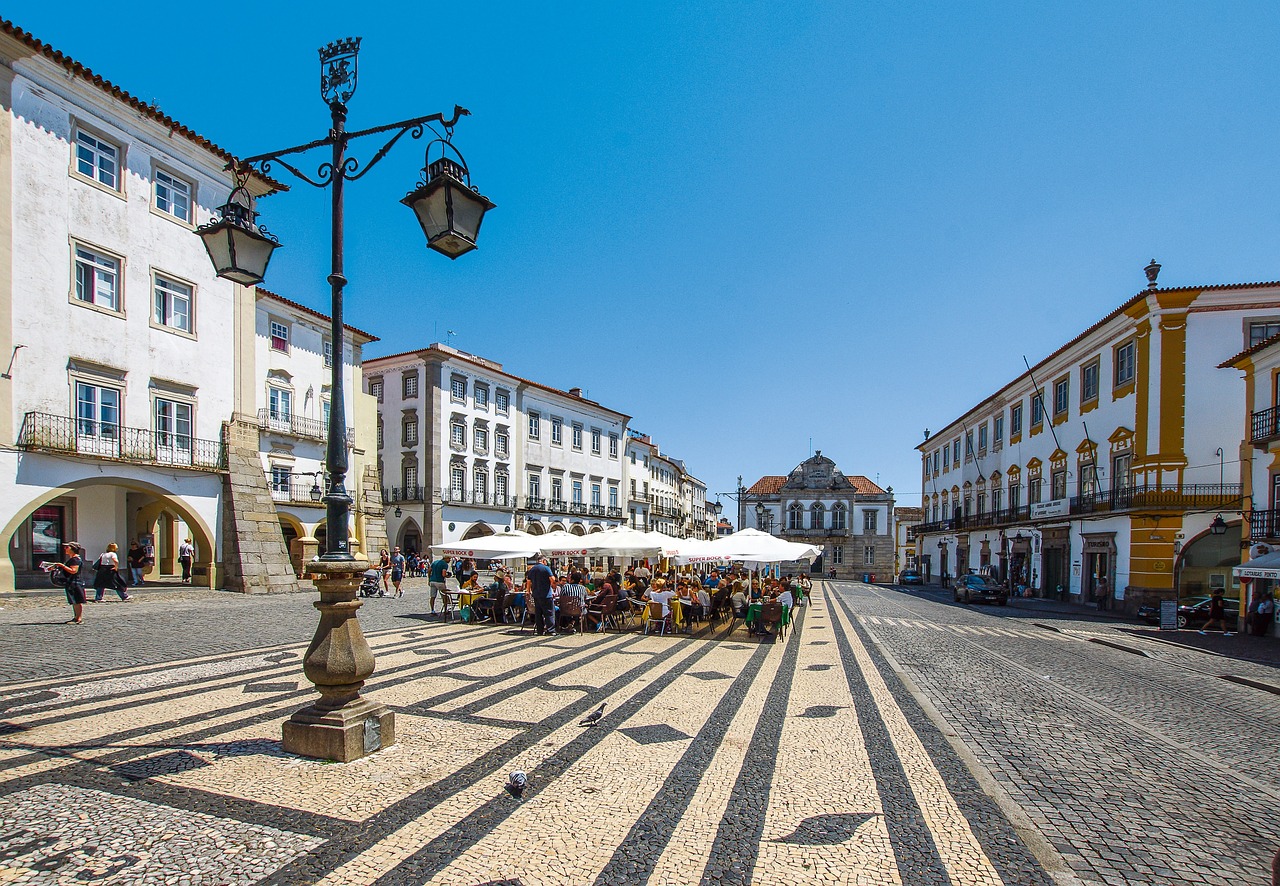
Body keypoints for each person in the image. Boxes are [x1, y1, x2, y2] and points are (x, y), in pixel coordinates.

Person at [52, 542, 86, 624]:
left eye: (67, 547)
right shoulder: (72, 559)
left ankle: (78, 618)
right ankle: (76, 617)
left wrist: (62, 566)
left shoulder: (75, 559)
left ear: (73, 549)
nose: (65, 549)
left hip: (75, 582)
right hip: (71, 582)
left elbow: (74, 571)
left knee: (77, 601)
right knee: (74, 601)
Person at [524, 554, 558, 635]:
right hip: (546, 594)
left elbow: (528, 581)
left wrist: (528, 591)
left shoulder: (532, 569)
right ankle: (550, 630)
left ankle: (540, 630)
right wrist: (554, 586)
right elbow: (552, 579)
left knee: (538, 613)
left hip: (536, 594)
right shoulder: (546, 568)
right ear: (544, 561)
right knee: (549, 612)